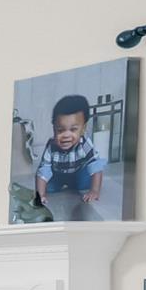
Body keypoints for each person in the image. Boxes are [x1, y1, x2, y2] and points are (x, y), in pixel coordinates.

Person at [36, 92, 106, 220]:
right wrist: (40, 195)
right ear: (54, 129)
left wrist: (94, 191)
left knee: (84, 183)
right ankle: (62, 185)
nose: (66, 135)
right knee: (49, 188)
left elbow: (95, 165)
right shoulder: (51, 147)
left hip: (78, 171)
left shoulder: (85, 144)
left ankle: (78, 184)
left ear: (83, 129)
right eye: (60, 130)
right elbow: (44, 170)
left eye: (73, 129)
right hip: (58, 174)